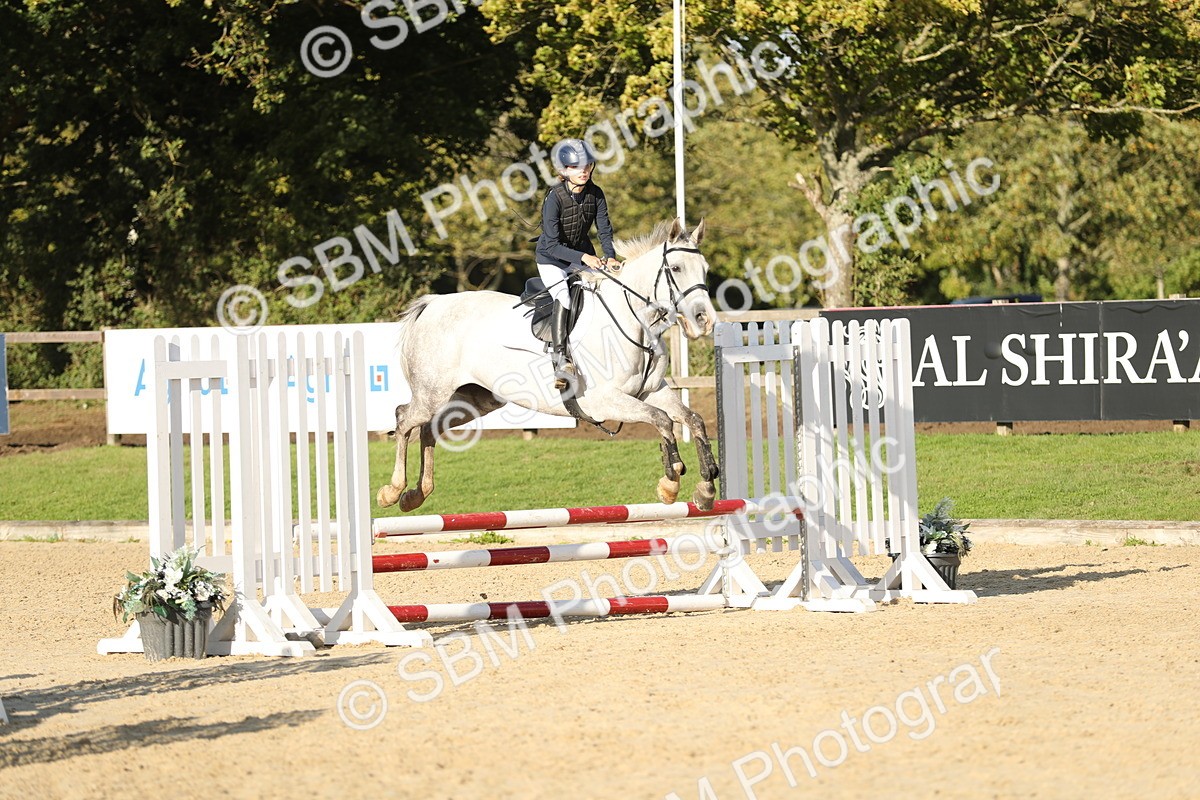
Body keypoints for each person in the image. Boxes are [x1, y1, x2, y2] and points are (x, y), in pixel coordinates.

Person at [535, 138, 621, 390]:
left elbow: (604, 230)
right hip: (552, 259)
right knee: (563, 296)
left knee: (607, 288)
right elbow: (552, 245)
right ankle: (561, 360)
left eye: (587, 166)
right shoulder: (554, 197)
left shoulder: (596, 193)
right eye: (576, 167)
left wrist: (610, 256)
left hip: (582, 255)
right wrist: (585, 258)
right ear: (564, 170)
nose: (583, 171)